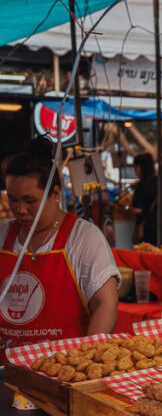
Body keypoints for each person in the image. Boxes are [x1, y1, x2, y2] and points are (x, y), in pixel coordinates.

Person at [0, 137, 120, 356]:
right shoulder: (3, 236)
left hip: (60, 371)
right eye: (13, 200)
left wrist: (86, 357)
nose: (20, 210)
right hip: (7, 369)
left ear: (55, 194)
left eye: (30, 201)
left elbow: (106, 304)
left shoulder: (83, 237)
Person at [132, 152, 162, 246]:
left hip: (149, 229)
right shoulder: (160, 180)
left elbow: (137, 210)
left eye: (135, 167)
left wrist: (128, 208)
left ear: (139, 168)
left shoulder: (141, 186)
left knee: (149, 258)